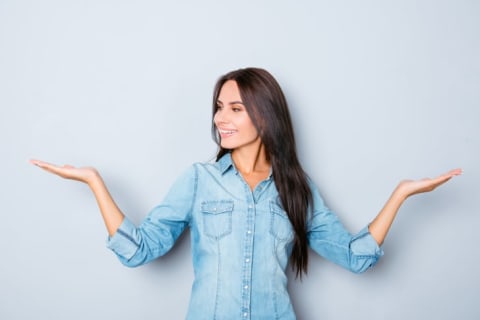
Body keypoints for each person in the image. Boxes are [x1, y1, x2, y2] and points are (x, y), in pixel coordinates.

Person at [30, 67, 461, 320]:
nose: (222, 118)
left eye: (235, 108)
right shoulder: (199, 179)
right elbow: (139, 250)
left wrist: (402, 193)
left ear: (264, 115)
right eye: (219, 106)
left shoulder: (297, 187)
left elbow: (356, 256)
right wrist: (94, 182)